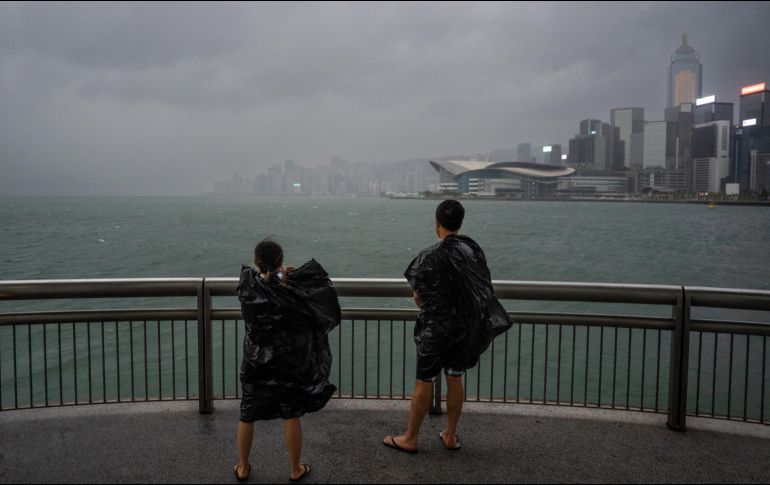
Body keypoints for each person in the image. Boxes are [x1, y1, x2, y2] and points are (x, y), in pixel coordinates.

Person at [383, 199, 512, 453]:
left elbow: (419, 296)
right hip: (464, 328)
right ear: (460, 223)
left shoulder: (429, 256)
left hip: (436, 330)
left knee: (424, 382)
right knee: (455, 378)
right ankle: (451, 435)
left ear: (437, 223)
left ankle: (410, 438)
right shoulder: (472, 251)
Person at [234, 239, 340, 482]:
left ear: (255, 261)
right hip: (288, 363)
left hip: (255, 361)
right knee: (290, 413)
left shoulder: (248, 287)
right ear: (281, 261)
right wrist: (285, 275)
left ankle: (242, 467)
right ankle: (295, 469)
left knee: (247, 413)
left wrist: (276, 273)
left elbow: (257, 277)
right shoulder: (291, 290)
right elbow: (321, 297)